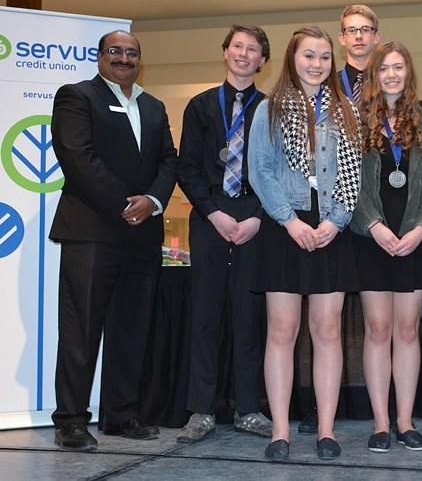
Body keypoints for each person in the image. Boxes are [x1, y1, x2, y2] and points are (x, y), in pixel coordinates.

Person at [49, 30, 178, 451]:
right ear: (101, 56)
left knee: (131, 329)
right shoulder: (76, 95)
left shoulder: (153, 106)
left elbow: (168, 160)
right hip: (92, 232)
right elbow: (76, 156)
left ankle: (120, 416)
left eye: (132, 53)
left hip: (143, 234)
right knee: (80, 330)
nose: (124, 58)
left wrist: (155, 200)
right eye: (116, 51)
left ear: (140, 59)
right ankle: (70, 420)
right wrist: (125, 205)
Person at [248, 25, 362, 462]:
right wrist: (289, 221)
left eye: (323, 57)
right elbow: (260, 171)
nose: (317, 64)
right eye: (308, 56)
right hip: (284, 229)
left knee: (328, 332)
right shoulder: (270, 108)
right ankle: (280, 432)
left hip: (331, 228)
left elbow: (353, 177)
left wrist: (337, 221)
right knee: (281, 332)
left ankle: (326, 431)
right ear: (293, 59)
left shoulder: (346, 110)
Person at [176, 25, 272, 442]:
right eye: (238, 46)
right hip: (210, 217)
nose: (244, 54)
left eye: (253, 49)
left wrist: (255, 217)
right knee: (205, 317)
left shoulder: (271, 109)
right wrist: (213, 213)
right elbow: (187, 168)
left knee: (249, 318)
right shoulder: (199, 106)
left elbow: (277, 172)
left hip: (255, 217)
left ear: (262, 61)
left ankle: (250, 408)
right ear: (225, 52)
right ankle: (201, 410)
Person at [350, 40, 422, 453]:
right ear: (374, 75)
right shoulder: (356, 122)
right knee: (378, 330)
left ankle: (406, 422)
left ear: (409, 74)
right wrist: (374, 226)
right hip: (372, 239)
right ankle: (381, 424)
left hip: (414, 240)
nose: (391, 74)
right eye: (384, 68)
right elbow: (349, 182)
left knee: (408, 331)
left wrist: (421, 228)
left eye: (398, 67)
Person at [297, 3, 383, 437]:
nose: (360, 37)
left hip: (376, 215)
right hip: (328, 213)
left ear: (377, 35)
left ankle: (377, 413)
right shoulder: (324, 83)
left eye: (367, 29)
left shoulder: (391, 82)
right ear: (341, 38)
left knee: (371, 323)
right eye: (352, 30)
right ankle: (317, 408)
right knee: (322, 322)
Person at [338, 4, 382, 103]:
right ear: (342, 38)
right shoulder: (331, 85)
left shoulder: (387, 82)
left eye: (365, 29)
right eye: (351, 30)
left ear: (376, 37)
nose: (358, 36)